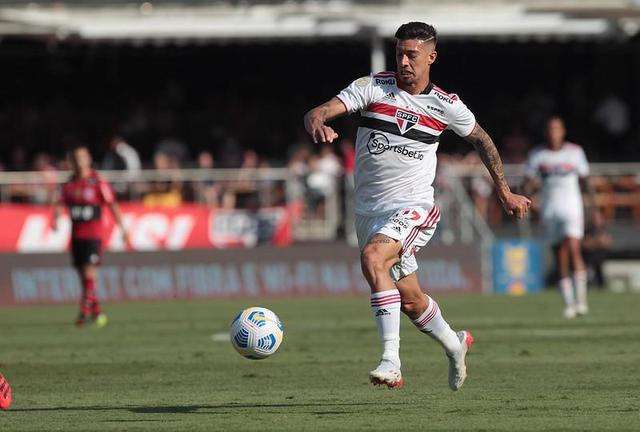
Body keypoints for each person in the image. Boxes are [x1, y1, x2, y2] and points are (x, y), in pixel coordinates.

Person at [303, 22, 530, 390]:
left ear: (431, 57)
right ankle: (455, 344)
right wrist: (318, 121)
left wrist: (504, 192)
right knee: (410, 300)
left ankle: (390, 361)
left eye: (412, 55)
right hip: (369, 212)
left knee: (374, 259)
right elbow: (320, 110)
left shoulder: (446, 105)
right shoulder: (373, 87)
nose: (404, 62)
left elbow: (482, 140)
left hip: (414, 207)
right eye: (399, 54)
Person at [52, 146, 129, 327]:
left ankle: (84, 312)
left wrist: (123, 228)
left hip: (93, 235)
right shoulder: (69, 184)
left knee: (89, 273)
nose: (79, 161)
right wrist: (55, 218)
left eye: (82, 157)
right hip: (76, 236)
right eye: (76, 158)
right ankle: (97, 312)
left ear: (88, 159)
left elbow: (112, 204)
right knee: (83, 277)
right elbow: (60, 203)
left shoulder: (97, 182)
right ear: (72, 161)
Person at [524, 117, 593, 318]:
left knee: (573, 248)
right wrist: (530, 193)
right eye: (550, 129)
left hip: (572, 207)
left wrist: (593, 209)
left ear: (563, 131)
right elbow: (527, 184)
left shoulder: (575, 152)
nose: (553, 132)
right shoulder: (538, 155)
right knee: (560, 255)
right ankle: (569, 304)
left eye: (557, 128)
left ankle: (582, 301)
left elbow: (586, 181)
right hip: (550, 209)